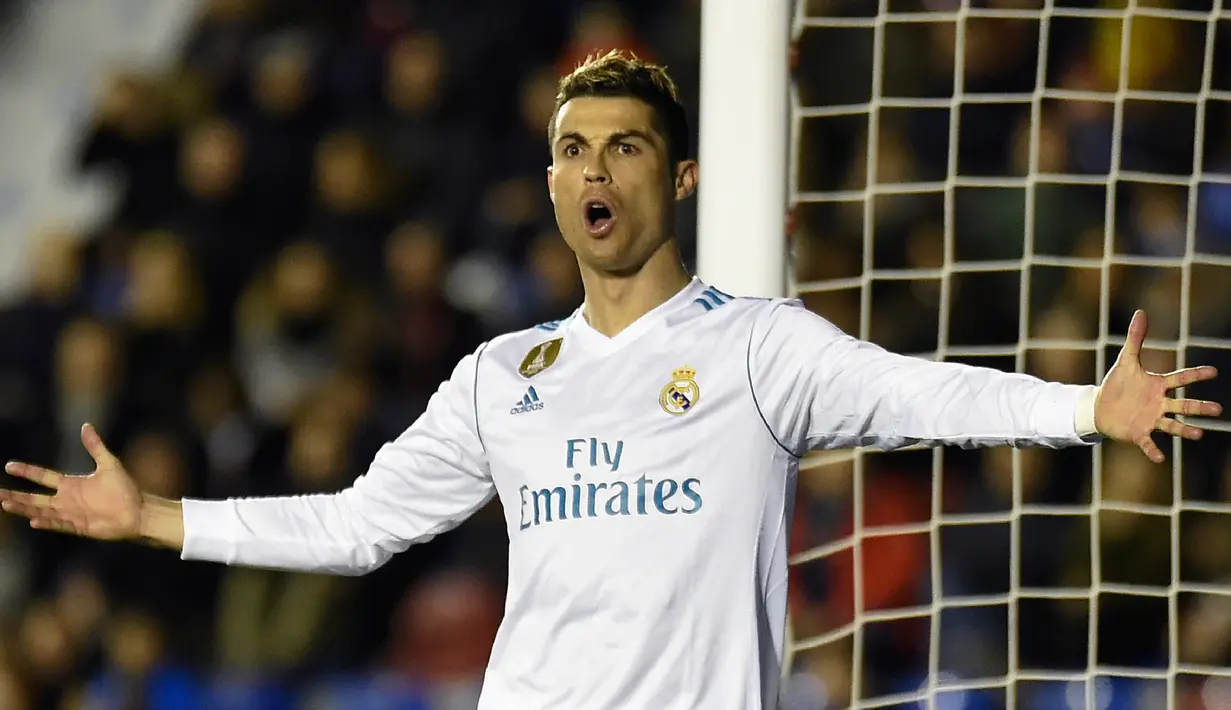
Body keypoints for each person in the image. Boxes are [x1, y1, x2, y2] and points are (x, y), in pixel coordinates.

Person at [0, 51, 1222, 709]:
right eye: (573, 150)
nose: (596, 170)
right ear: (548, 184)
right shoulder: (502, 374)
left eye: (624, 147)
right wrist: (152, 516)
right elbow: (360, 524)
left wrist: (1079, 408)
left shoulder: (758, 346)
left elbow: (922, 397)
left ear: (677, 179)